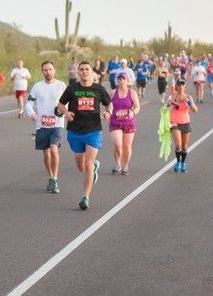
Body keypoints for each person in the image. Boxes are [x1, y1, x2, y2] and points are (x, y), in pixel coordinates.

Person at [57, 61, 112, 210]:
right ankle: (94, 166)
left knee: (87, 164)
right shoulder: (72, 88)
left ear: (92, 72)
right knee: (81, 167)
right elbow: (60, 105)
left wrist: (108, 112)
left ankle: (85, 197)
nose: (84, 72)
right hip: (75, 131)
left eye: (87, 69)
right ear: (78, 72)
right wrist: (66, 113)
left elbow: (109, 104)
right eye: (82, 69)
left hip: (93, 131)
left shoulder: (99, 89)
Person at [25, 62, 66, 194]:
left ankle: (55, 179)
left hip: (57, 123)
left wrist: (65, 112)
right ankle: (51, 177)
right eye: (45, 70)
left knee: (54, 150)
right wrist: (31, 113)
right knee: (46, 153)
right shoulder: (37, 86)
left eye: (50, 69)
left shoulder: (61, 85)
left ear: (54, 70)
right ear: (42, 72)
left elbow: (68, 103)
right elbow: (29, 104)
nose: (48, 72)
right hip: (42, 124)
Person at [109, 71, 140, 176]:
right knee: (118, 145)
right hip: (115, 122)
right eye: (120, 79)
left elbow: (137, 107)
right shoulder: (112, 93)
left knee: (127, 146)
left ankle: (125, 165)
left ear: (127, 81)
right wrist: (108, 112)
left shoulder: (132, 93)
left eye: (123, 79)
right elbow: (108, 106)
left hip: (129, 123)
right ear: (117, 81)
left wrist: (133, 112)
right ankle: (118, 164)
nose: (121, 81)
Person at [168, 79, 198, 172]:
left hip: (185, 123)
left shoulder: (188, 97)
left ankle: (183, 162)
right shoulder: (172, 96)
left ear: (185, 86)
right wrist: (168, 104)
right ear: (176, 86)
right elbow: (166, 108)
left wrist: (189, 103)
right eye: (179, 85)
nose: (181, 87)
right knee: (178, 145)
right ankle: (178, 162)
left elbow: (195, 110)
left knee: (185, 146)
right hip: (174, 123)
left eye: (182, 85)